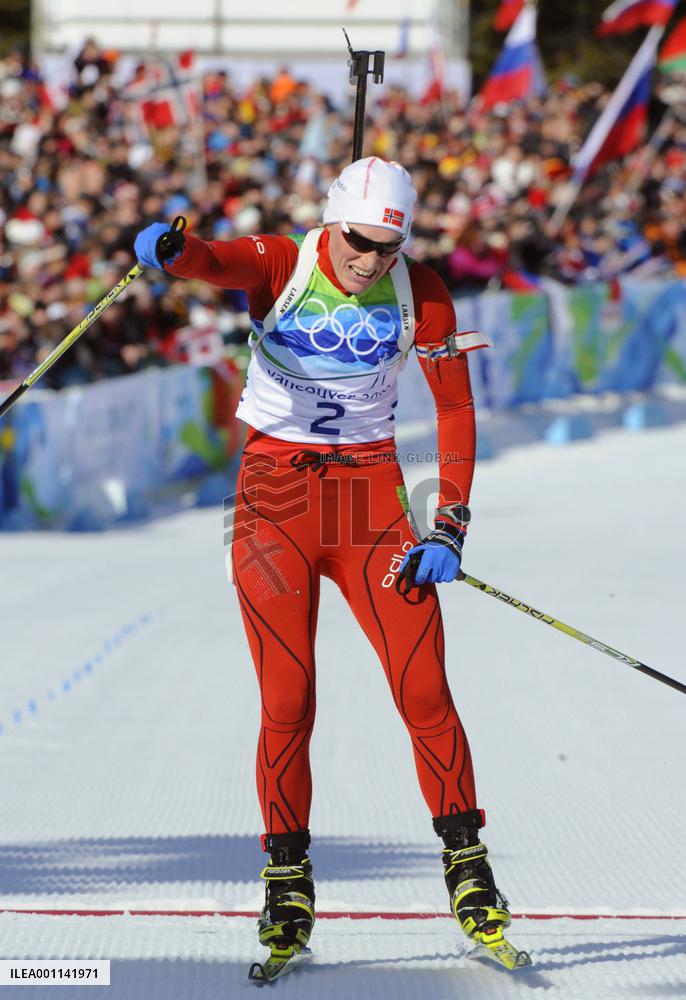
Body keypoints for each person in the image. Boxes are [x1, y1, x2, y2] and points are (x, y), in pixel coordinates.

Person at [133, 157, 524, 970]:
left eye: (388, 244)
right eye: (358, 240)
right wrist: (176, 253)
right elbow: (215, 263)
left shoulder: (422, 291)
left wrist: (448, 525)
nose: (370, 260)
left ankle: (467, 865)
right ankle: (287, 876)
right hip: (273, 501)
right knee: (288, 696)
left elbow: (454, 407)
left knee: (423, 687)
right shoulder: (283, 260)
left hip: (368, 503)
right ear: (332, 221)